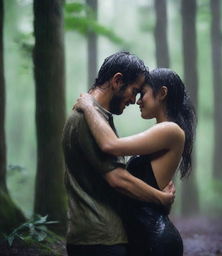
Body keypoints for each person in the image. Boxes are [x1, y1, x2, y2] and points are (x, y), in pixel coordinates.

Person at [73, 68, 197, 256]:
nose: (138, 101)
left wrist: (89, 106)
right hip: (142, 237)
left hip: (155, 239)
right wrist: (160, 197)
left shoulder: (171, 130)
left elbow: (110, 145)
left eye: (143, 93)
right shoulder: (162, 132)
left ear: (162, 93)